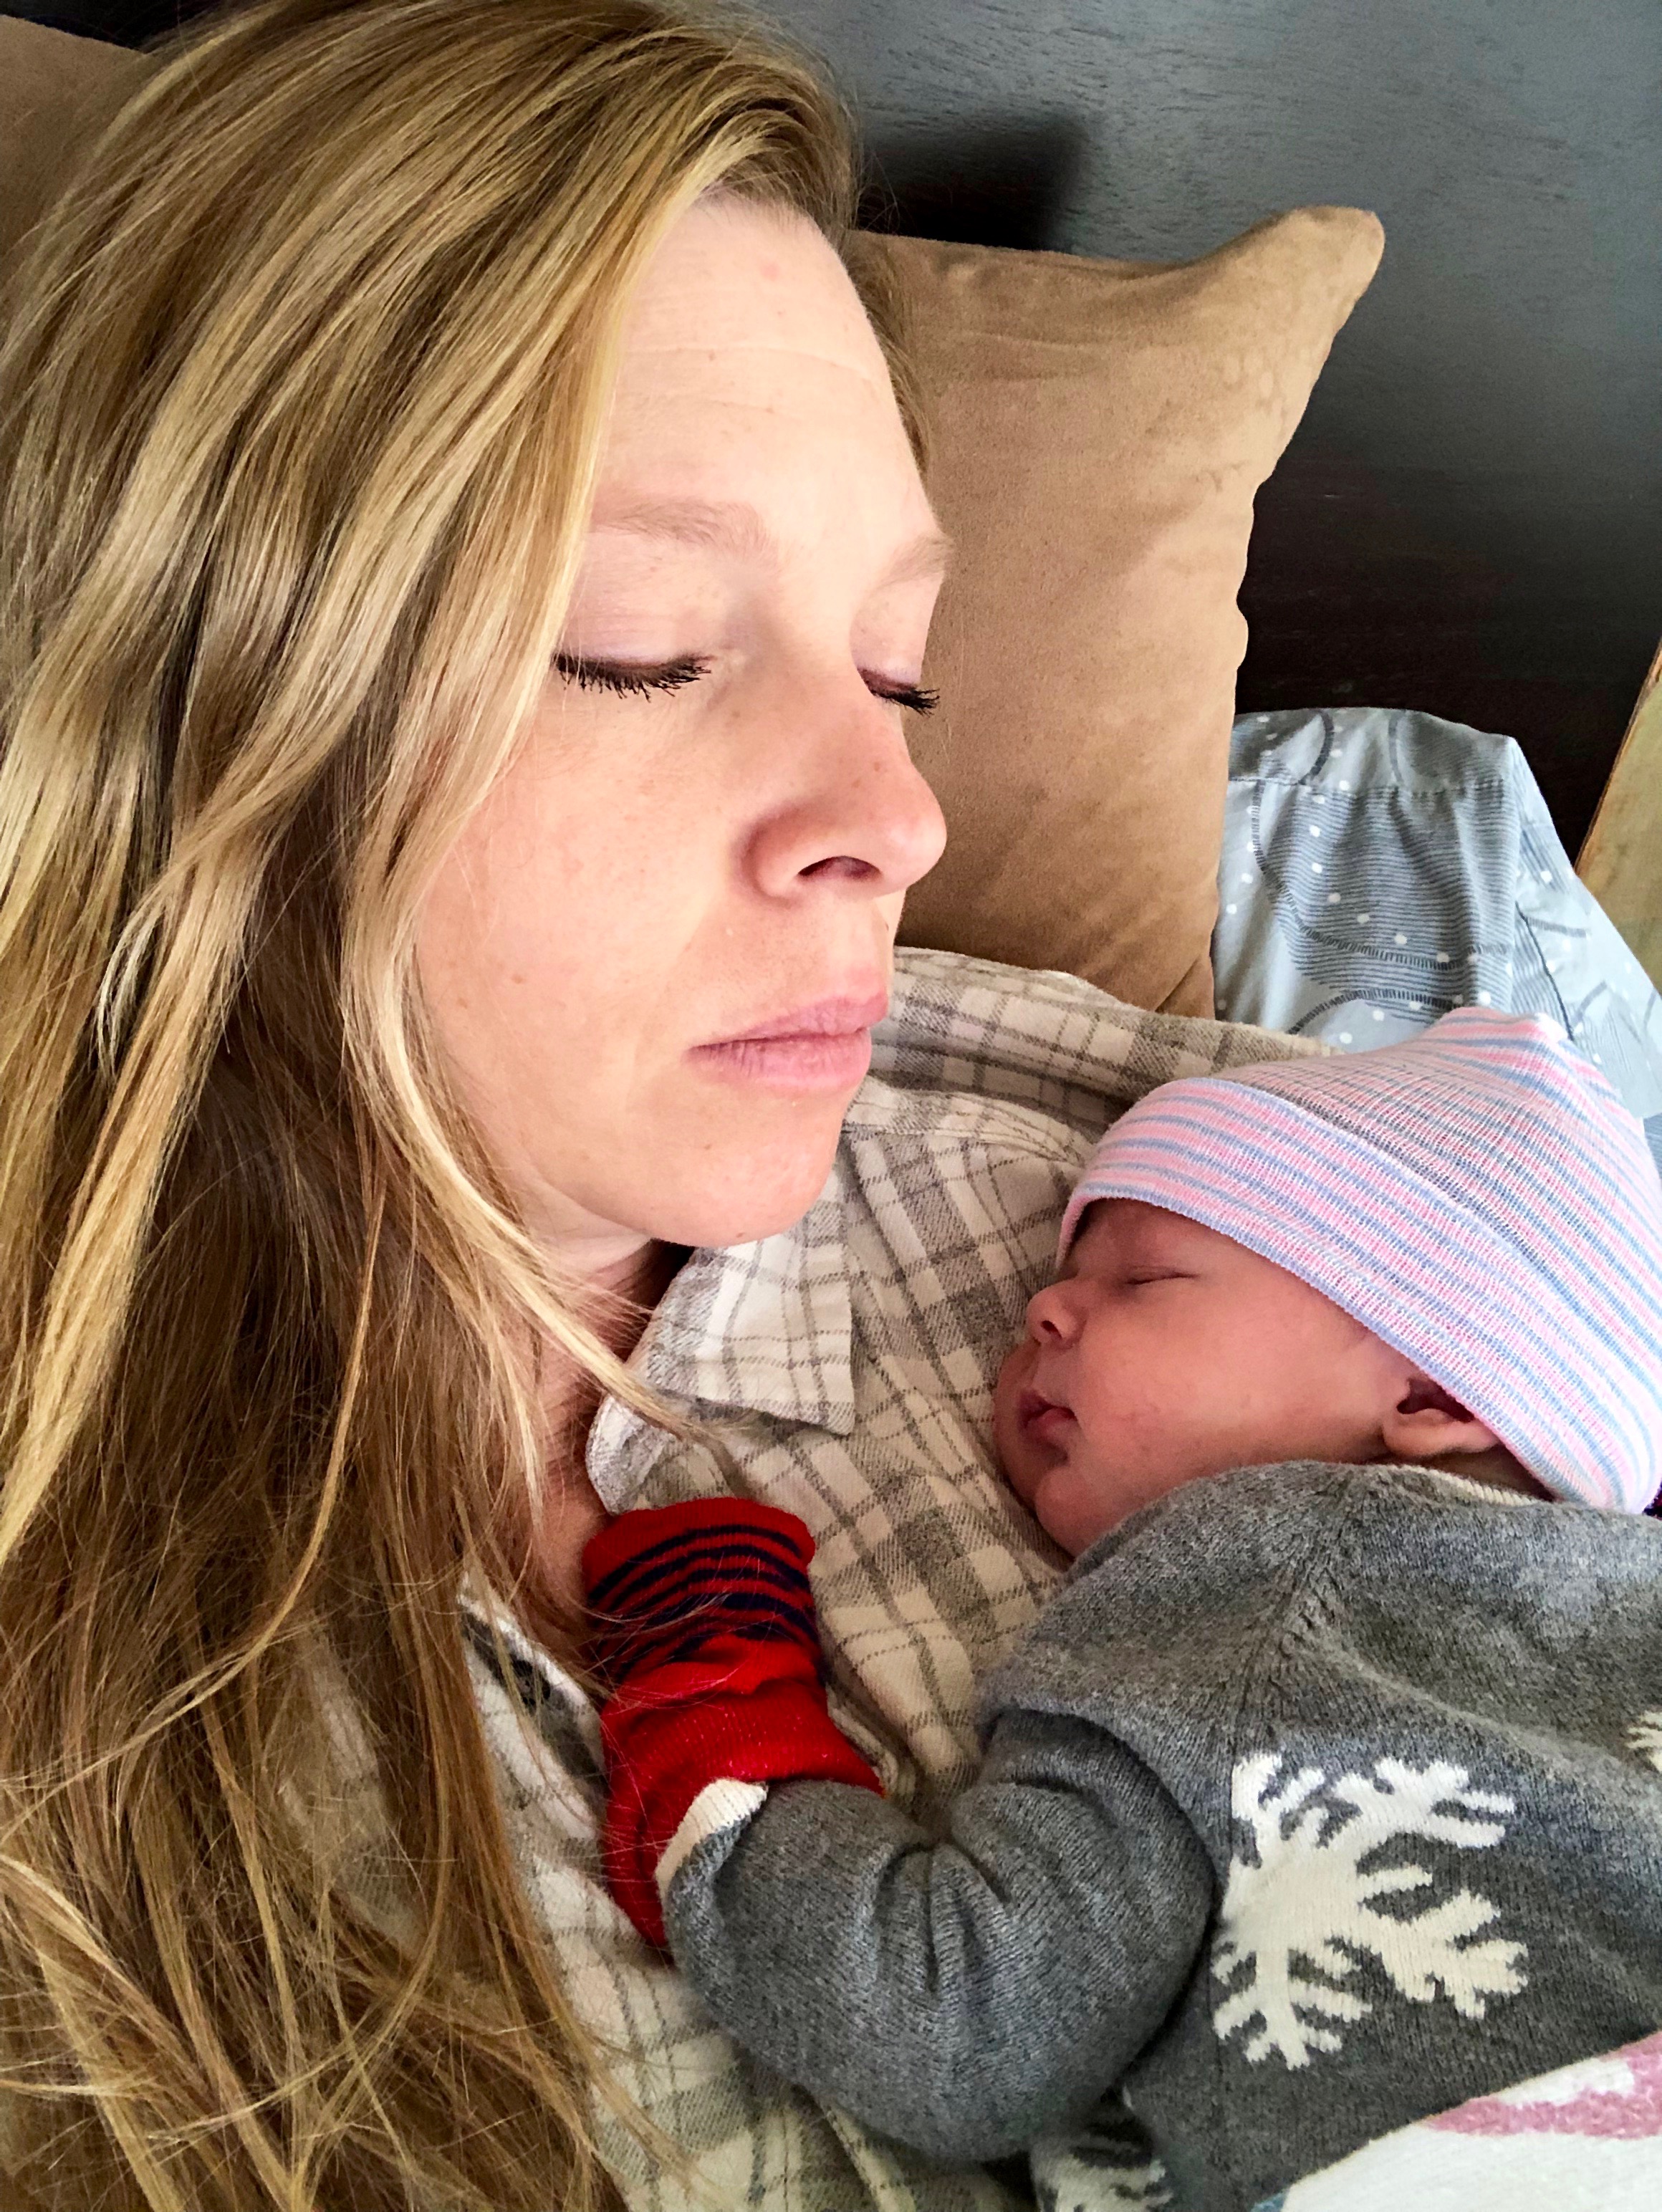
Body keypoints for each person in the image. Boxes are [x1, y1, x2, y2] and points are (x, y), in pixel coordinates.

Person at [0, 1, 1334, 2207]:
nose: (898, 817)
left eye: (901, 669)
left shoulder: (1136, 1167)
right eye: (642, 645)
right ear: (192, 690)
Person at [582, 1009, 1662, 2212]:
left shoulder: (1262, 1577)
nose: (1044, 1312)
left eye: (1146, 1279)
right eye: (1064, 1280)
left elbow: (962, 2029)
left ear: (1432, 1392)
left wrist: (711, 1684)